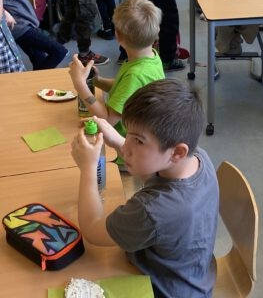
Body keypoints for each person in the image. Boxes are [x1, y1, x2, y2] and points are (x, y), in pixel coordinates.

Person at [71, 79, 218, 298]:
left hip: (163, 290)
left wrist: (88, 168)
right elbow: (153, 172)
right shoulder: (197, 158)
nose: (128, 147)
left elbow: (92, 230)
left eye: (139, 141)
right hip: (192, 275)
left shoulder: (152, 211)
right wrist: (118, 140)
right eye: (129, 133)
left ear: (177, 152)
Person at [69, 0, 164, 139]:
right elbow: (125, 89)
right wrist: (97, 80)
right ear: (157, 31)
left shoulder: (136, 75)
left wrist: (80, 86)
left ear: (118, 36)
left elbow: (107, 121)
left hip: (125, 144)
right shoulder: (151, 57)